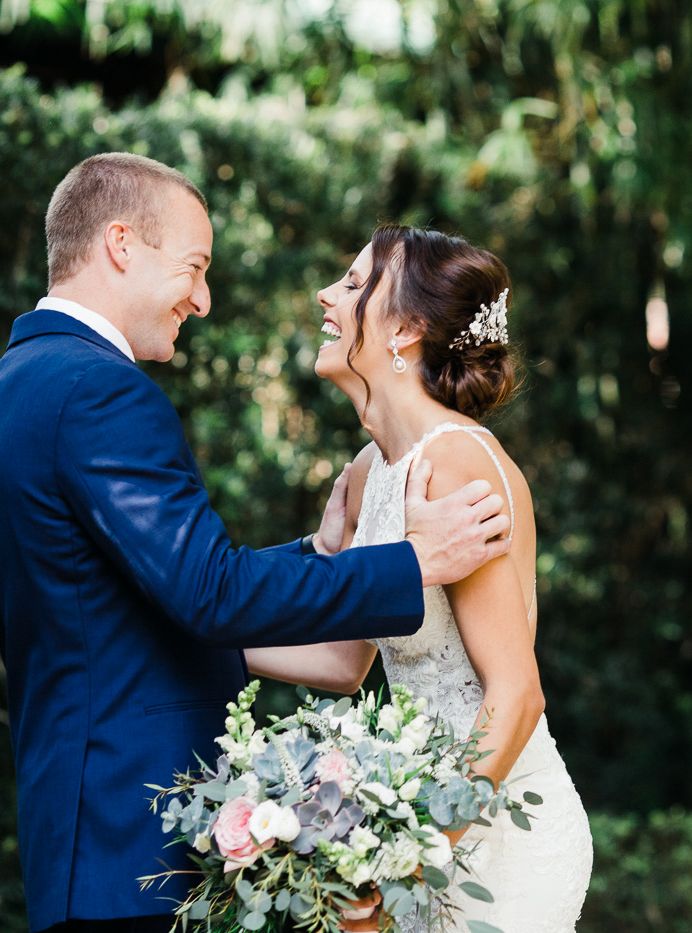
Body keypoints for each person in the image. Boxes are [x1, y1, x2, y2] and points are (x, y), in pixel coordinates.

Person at [0, 155, 512, 933]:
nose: (203, 298)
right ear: (121, 244)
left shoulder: (8, 389)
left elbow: (133, 601)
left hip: (86, 850)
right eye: (194, 267)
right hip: (131, 843)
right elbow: (209, 594)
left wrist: (315, 552)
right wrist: (416, 560)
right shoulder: (97, 390)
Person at [245, 225, 594, 932]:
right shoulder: (367, 473)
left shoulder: (457, 461)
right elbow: (345, 662)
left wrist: (415, 854)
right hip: (415, 815)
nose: (326, 295)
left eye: (352, 283)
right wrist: (201, 636)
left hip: (496, 834)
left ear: (405, 330)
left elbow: (517, 692)